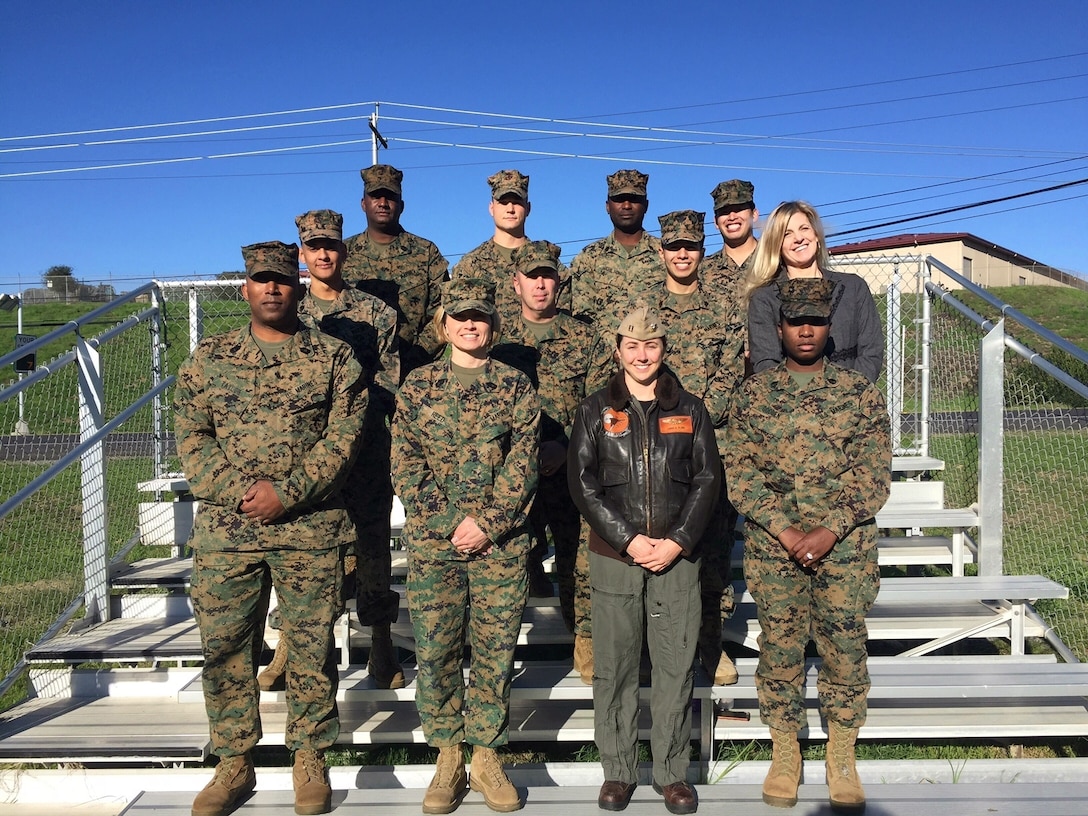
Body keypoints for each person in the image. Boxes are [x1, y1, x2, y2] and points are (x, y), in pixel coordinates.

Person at [175, 241, 366, 816]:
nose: (273, 288)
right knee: (226, 648)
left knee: (309, 650)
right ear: (246, 289)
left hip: (309, 528)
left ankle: (310, 755)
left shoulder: (336, 358)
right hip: (228, 532)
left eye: (283, 279)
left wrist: (288, 492)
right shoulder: (209, 358)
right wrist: (238, 490)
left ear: (299, 287)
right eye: (262, 279)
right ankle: (234, 761)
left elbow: (343, 440)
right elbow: (192, 437)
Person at [726, 278, 891, 811]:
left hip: (844, 548)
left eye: (815, 323)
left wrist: (828, 529)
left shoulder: (858, 393)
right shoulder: (754, 395)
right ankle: (785, 751)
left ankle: (841, 754)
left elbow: (874, 475)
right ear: (779, 328)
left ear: (828, 329)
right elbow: (741, 472)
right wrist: (788, 528)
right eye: (796, 322)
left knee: (845, 651)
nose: (805, 331)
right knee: (779, 649)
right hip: (777, 547)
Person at [391, 277, 540, 814]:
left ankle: (486, 754)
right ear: (444, 324)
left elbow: (523, 466)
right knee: (435, 652)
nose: (470, 324)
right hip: (436, 545)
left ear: (494, 325)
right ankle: (448, 754)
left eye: (480, 316)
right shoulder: (418, 387)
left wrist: (489, 523)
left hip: (499, 546)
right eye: (460, 316)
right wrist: (452, 521)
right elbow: (405, 465)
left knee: (496, 652)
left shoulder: (517, 386)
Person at [569, 306, 721, 815]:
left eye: (651, 345)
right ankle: (618, 771)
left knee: (675, 667)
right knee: (614, 668)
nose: (642, 355)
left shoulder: (691, 409)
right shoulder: (595, 410)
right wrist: (629, 540)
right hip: (616, 555)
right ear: (618, 351)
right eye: (632, 346)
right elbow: (583, 484)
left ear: (663, 350)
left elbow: (706, 480)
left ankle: (672, 773)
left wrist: (677, 541)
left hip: (677, 558)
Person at [267, 208, 403, 690]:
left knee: (372, 550)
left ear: (344, 251)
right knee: (298, 551)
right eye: (313, 246)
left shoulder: (376, 314)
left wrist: (356, 428)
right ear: (301, 254)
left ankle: (381, 647)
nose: (323, 253)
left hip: (365, 451)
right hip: (304, 457)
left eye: (331, 245)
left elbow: (388, 383)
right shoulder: (289, 311)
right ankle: (288, 648)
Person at [628, 209, 745, 687]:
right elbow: (638, 366)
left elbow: (733, 367)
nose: (682, 254)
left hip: (711, 439)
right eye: (673, 246)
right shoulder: (645, 307)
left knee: (712, 552)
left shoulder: (724, 303)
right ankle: (652, 651)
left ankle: (710, 646)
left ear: (702, 250)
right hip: (655, 446)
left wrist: (695, 414)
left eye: (691, 246)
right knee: (653, 548)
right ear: (661, 251)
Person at [490, 241, 612, 670]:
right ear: (515, 283)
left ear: (559, 281)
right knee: (505, 564)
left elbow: (600, 405)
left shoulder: (586, 336)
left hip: (571, 469)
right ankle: (496, 656)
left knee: (580, 561)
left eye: (548, 276)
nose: (540, 285)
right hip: (508, 474)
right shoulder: (496, 339)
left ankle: (585, 638)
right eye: (531, 277)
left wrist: (567, 446)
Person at [743, 201, 884, 384]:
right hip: (790, 407)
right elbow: (766, 363)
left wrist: (849, 397)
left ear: (816, 234)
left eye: (804, 229)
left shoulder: (854, 288)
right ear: (777, 244)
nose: (799, 238)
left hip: (853, 403)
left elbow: (871, 352)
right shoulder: (765, 298)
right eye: (787, 234)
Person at [342, 163, 449, 378]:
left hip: (414, 371)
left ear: (401, 205)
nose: (383, 203)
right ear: (363, 203)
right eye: (375, 196)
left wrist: (413, 361)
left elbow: (442, 312)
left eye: (390, 197)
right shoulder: (343, 253)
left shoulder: (426, 252)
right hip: (355, 372)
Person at [452, 169, 570, 327]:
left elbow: (564, 323)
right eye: (503, 202)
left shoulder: (552, 266)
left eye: (517, 202)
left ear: (528, 208)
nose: (510, 209)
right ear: (491, 208)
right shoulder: (469, 267)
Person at [570, 169, 665, 325]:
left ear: (646, 205)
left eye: (634, 199)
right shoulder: (588, 258)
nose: (626, 205)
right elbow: (582, 317)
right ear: (608, 206)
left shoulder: (667, 254)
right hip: (602, 348)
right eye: (619, 199)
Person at [702, 179, 759, 300]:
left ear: (754, 214)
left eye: (739, 208)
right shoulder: (701, 271)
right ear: (716, 222)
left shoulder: (775, 261)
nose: (732, 217)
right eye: (724, 212)